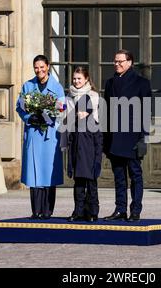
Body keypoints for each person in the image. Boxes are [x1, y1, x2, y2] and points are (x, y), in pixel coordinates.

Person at [103, 49, 152, 222]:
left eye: (120, 61)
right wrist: (105, 137)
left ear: (130, 62)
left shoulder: (142, 83)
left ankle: (136, 210)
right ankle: (120, 209)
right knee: (119, 176)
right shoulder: (109, 83)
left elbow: (146, 112)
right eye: (115, 61)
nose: (117, 64)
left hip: (133, 138)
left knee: (135, 175)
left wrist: (143, 138)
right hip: (114, 138)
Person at [16, 55, 65, 219]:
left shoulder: (57, 87)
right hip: (34, 134)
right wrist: (30, 117)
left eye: (42, 67)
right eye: (36, 67)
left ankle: (47, 211)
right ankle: (35, 210)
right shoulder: (27, 86)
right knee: (34, 173)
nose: (39, 70)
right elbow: (20, 107)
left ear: (48, 66)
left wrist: (49, 117)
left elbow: (62, 108)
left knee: (47, 172)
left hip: (50, 135)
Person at [65, 67, 103, 222]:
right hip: (76, 140)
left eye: (79, 78)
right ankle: (78, 210)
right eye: (74, 78)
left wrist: (97, 158)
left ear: (86, 79)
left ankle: (92, 212)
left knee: (91, 183)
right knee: (79, 184)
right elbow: (65, 119)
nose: (76, 81)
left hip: (89, 143)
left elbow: (98, 128)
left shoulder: (94, 97)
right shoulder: (69, 96)